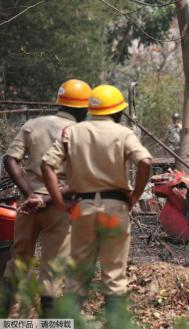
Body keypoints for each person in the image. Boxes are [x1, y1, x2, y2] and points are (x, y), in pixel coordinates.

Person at [40, 85, 152, 323]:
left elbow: (46, 165)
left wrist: (60, 202)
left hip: (83, 208)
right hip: (115, 208)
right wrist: (135, 196)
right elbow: (145, 162)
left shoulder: (73, 131)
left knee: (78, 272)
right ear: (119, 111)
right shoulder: (124, 133)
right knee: (114, 273)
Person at [1, 79, 91, 317]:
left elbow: (10, 159)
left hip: (26, 207)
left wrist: (30, 195)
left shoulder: (33, 124)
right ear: (83, 108)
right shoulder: (82, 133)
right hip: (59, 207)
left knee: (17, 261)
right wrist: (46, 199)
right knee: (52, 271)